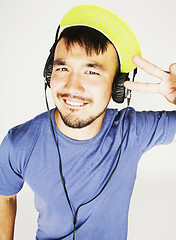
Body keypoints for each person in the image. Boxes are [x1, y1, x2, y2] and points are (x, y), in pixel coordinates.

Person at [0, 3, 176, 240]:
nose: (72, 87)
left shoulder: (131, 130)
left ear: (117, 87)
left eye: (91, 72)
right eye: (62, 68)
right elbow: (6, 196)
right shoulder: (19, 142)